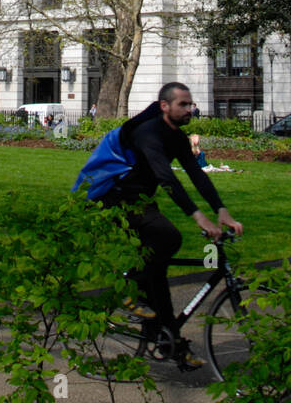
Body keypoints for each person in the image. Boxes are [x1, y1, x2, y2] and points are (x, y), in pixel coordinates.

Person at [100, 82, 243, 372]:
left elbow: (196, 175)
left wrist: (221, 210)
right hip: (113, 199)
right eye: (183, 105)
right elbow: (167, 178)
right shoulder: (148, 132)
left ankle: (170, 341)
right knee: (168, 238)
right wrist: (198, 217)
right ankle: (131, 288)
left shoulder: (176, 137)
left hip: (139, 199)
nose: (190, 109)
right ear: (165, 106)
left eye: (190, 104)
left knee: (159, 270)